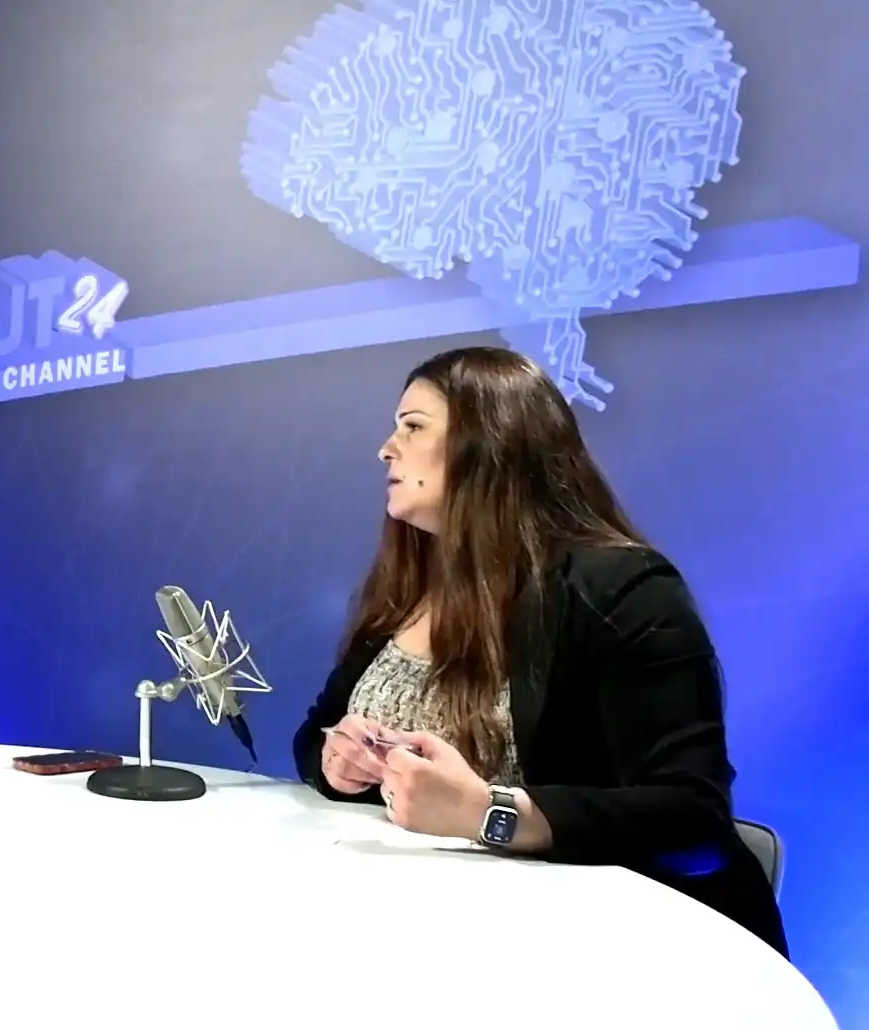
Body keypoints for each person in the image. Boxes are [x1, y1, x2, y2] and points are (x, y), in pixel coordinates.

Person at [291, 346, 788, 956]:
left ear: (488, 444)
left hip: (615, 946)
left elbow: (692, 814)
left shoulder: (623, 590)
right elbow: (316, 733)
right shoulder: (409, 588)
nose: (386, 449)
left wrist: (488, 812)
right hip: (438, 930)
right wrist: (339, 762)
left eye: (413, 427)